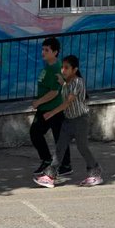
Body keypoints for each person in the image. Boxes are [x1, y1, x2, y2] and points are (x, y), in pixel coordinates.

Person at [34, 55, 103, 188]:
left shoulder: (78, 82)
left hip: (80, 121)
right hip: (68, 121)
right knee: (60, 147)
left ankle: (95, 171)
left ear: (75, 69)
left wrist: (52, 113)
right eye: (62, 67)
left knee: (82, 147)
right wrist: (62, 83)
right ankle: (50, 176)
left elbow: (67, 102)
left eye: (66, 68)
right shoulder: (66, 83)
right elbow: (65, 93)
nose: (63, 70)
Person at [29, 36, 71, 178]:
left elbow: (54, 92)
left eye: (46, 50)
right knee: (35, 133)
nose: (43, 52)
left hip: (53, 109)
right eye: (43, 49)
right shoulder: (49, 66)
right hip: (45, 109)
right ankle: (47, 160)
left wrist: (38, 102)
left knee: (58, 137)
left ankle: (65, 166)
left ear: (55, 52)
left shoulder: (56, 69)